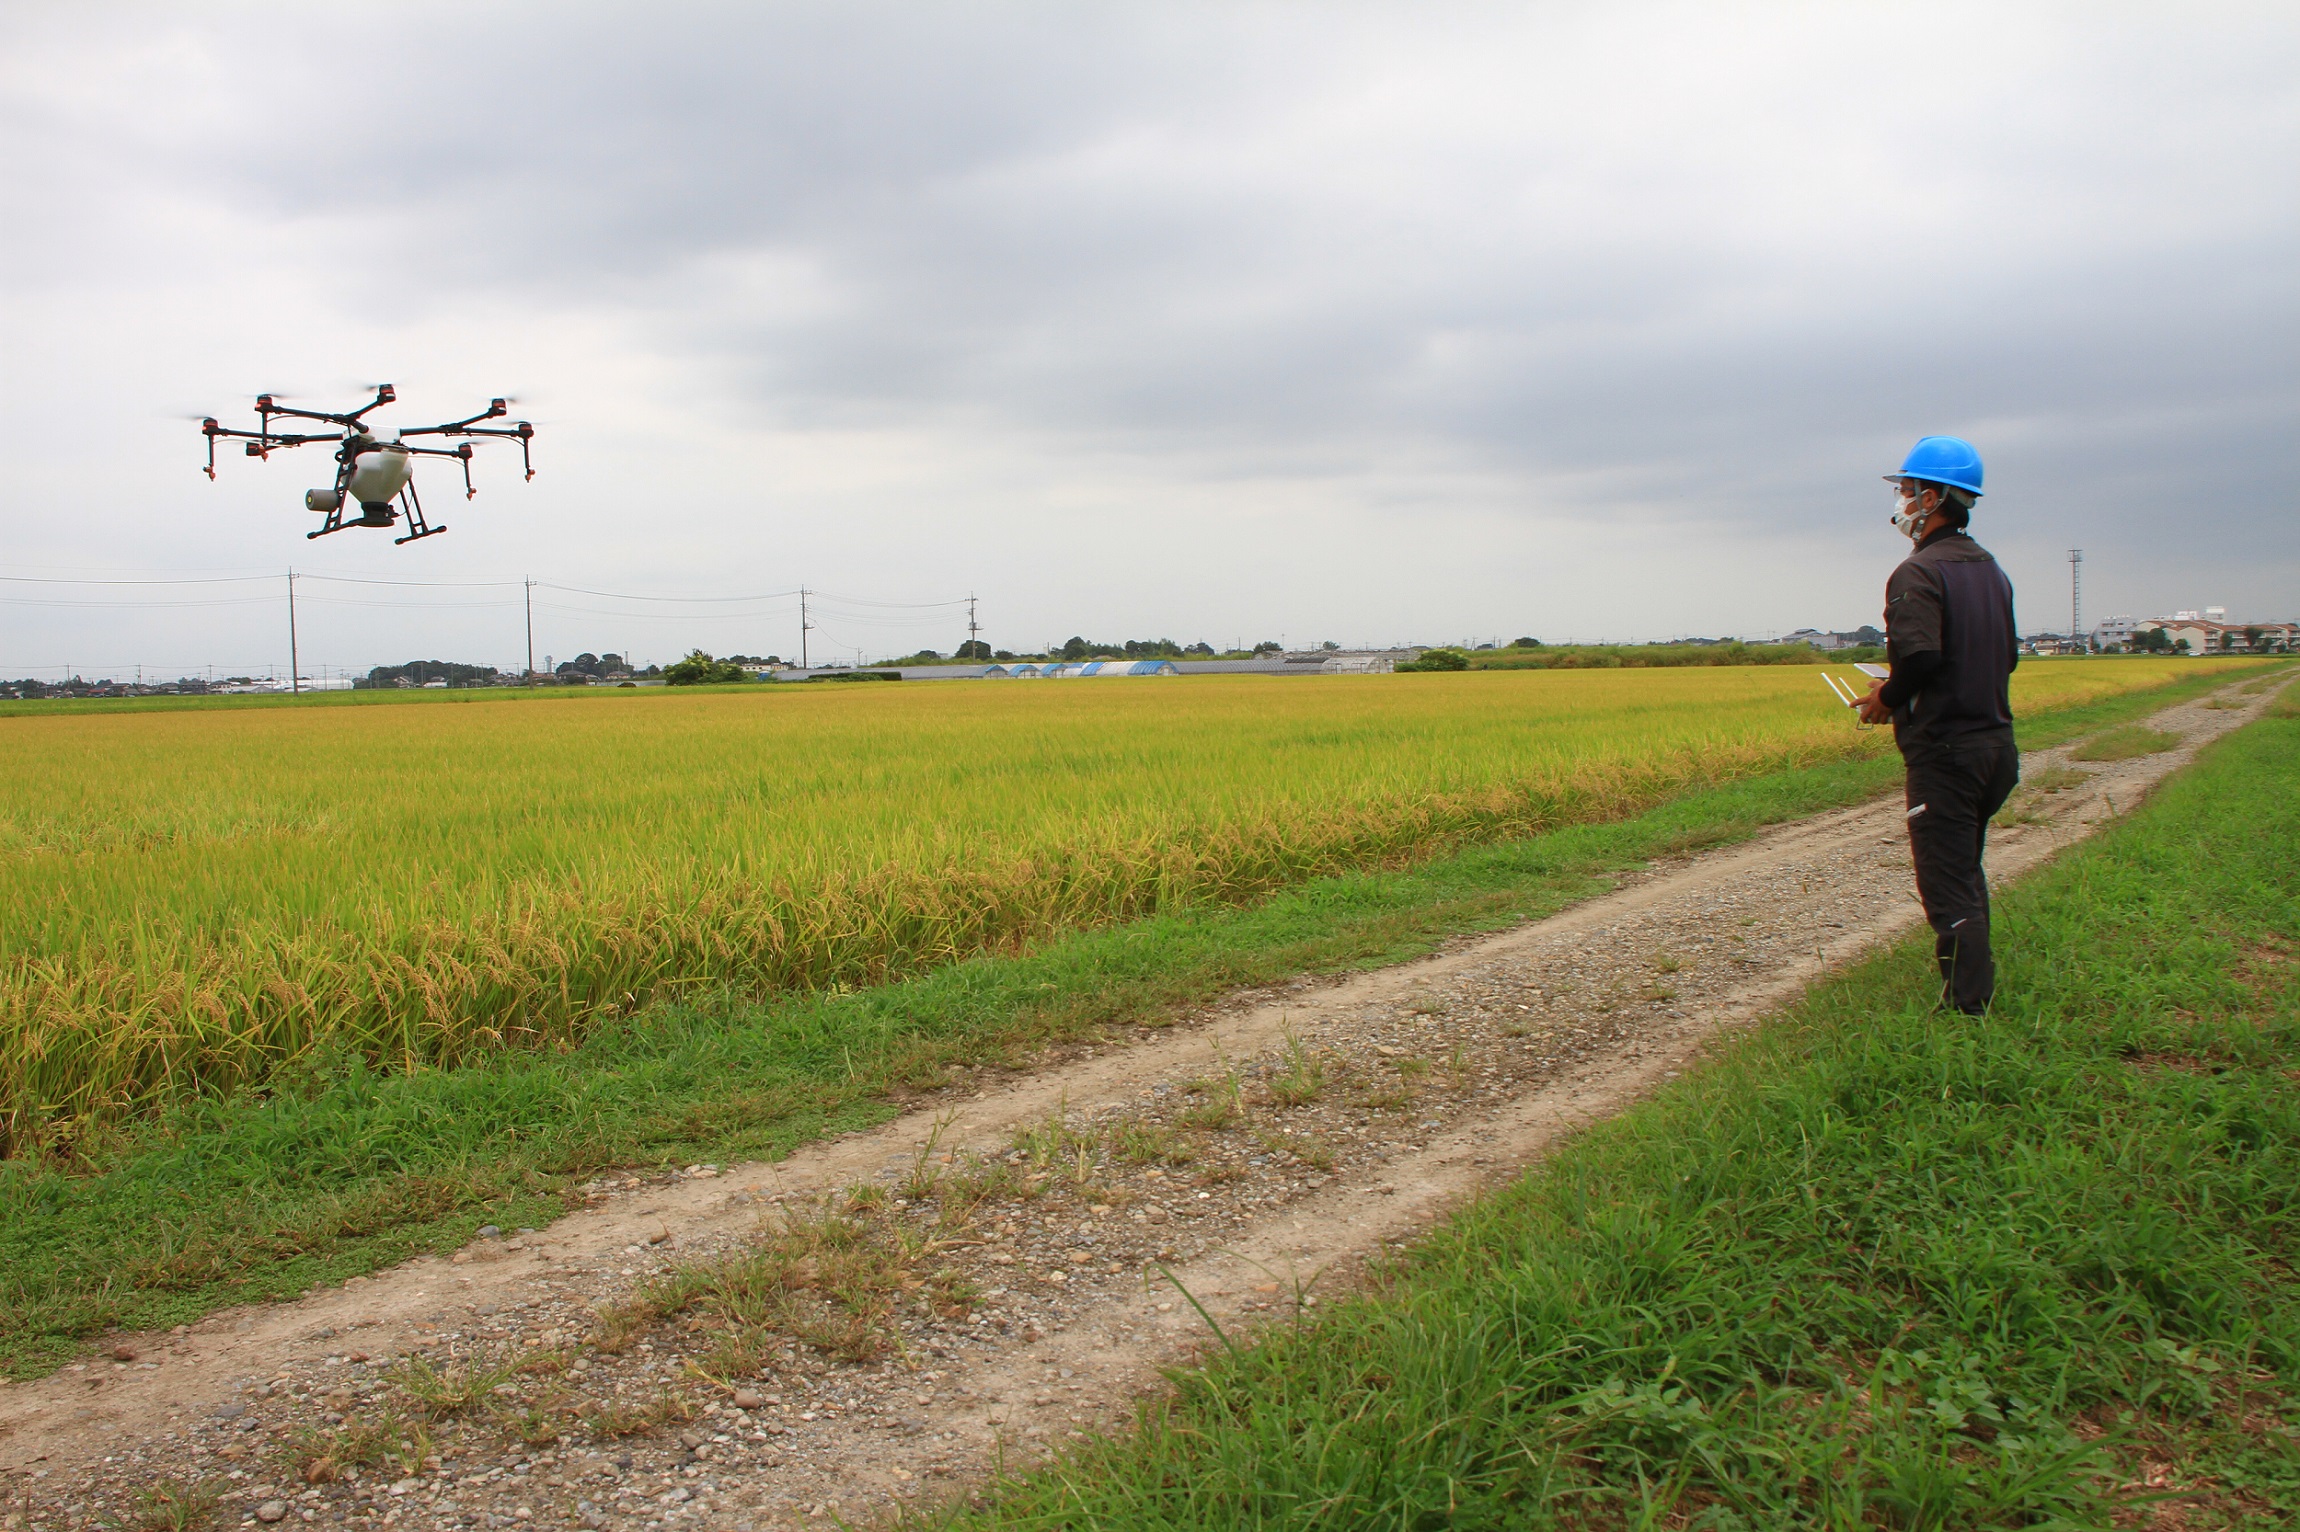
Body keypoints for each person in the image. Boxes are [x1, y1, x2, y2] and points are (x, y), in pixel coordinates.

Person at [1857, 436, 2020, 1015]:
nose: (1900, 502)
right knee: (1965, 869)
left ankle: (1968, 1012)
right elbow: (2009, 657)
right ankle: (1974, 989)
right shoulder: (1991, 571)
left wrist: (1886, 697)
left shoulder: (1917, 573)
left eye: (1904, 491)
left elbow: (1920, 658)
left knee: (1947, 885)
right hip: (1996, 748)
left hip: (1946, 754)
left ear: (1930, 498)